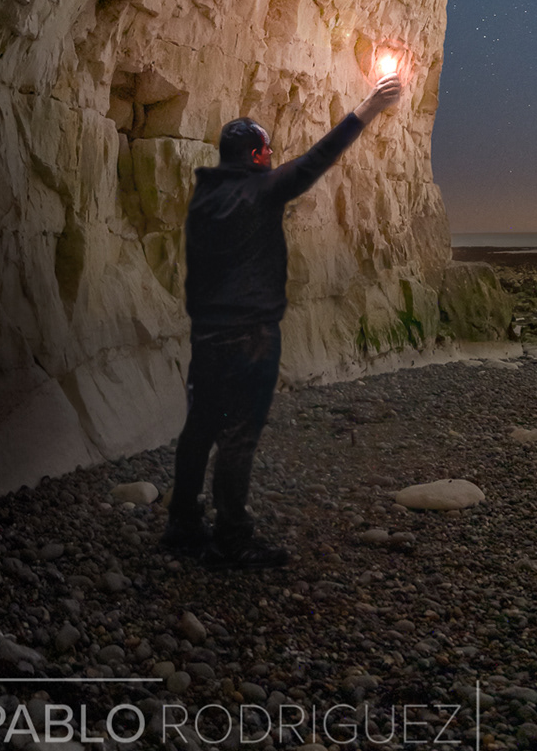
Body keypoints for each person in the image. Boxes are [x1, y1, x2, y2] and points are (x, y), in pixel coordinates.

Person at [164, 74, 403, 568]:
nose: (273, 156)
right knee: (239, 433)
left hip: (206, 334)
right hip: (249, 335)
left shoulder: (205, 199)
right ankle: (233, 538)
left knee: (200, 427)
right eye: (268, 150)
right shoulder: (260, 191)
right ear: (256, 155)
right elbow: (316, 159)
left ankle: (183, 523)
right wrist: (368, 108)